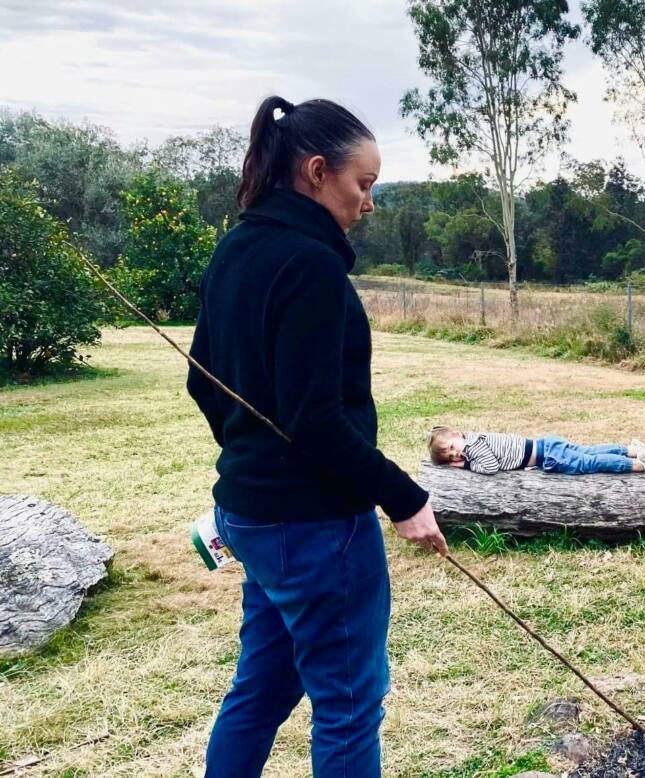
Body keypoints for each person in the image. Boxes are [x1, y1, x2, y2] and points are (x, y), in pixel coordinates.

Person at [186, 95, 447, 778]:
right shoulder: (311, 265)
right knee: (350, 704)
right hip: (315, 527)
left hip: (249, 514)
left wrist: (250, 460)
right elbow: (316, 420)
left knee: (263, 687)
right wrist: (404, 497)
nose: (370, 202)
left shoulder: (237, 247)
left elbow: (200, 384)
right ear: (315, 172)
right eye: (363, 184)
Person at [427, 427, 645, 474]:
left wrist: (466, 464)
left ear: (458, 435)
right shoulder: (477, 437)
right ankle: (632, 450)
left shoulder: (474, 446)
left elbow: (490, 467)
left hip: (547, 456)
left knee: (588, 463)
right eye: (450, 457)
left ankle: (640, 465)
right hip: (545, 443)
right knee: (588, 451)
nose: (455, 454)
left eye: (452, 448)